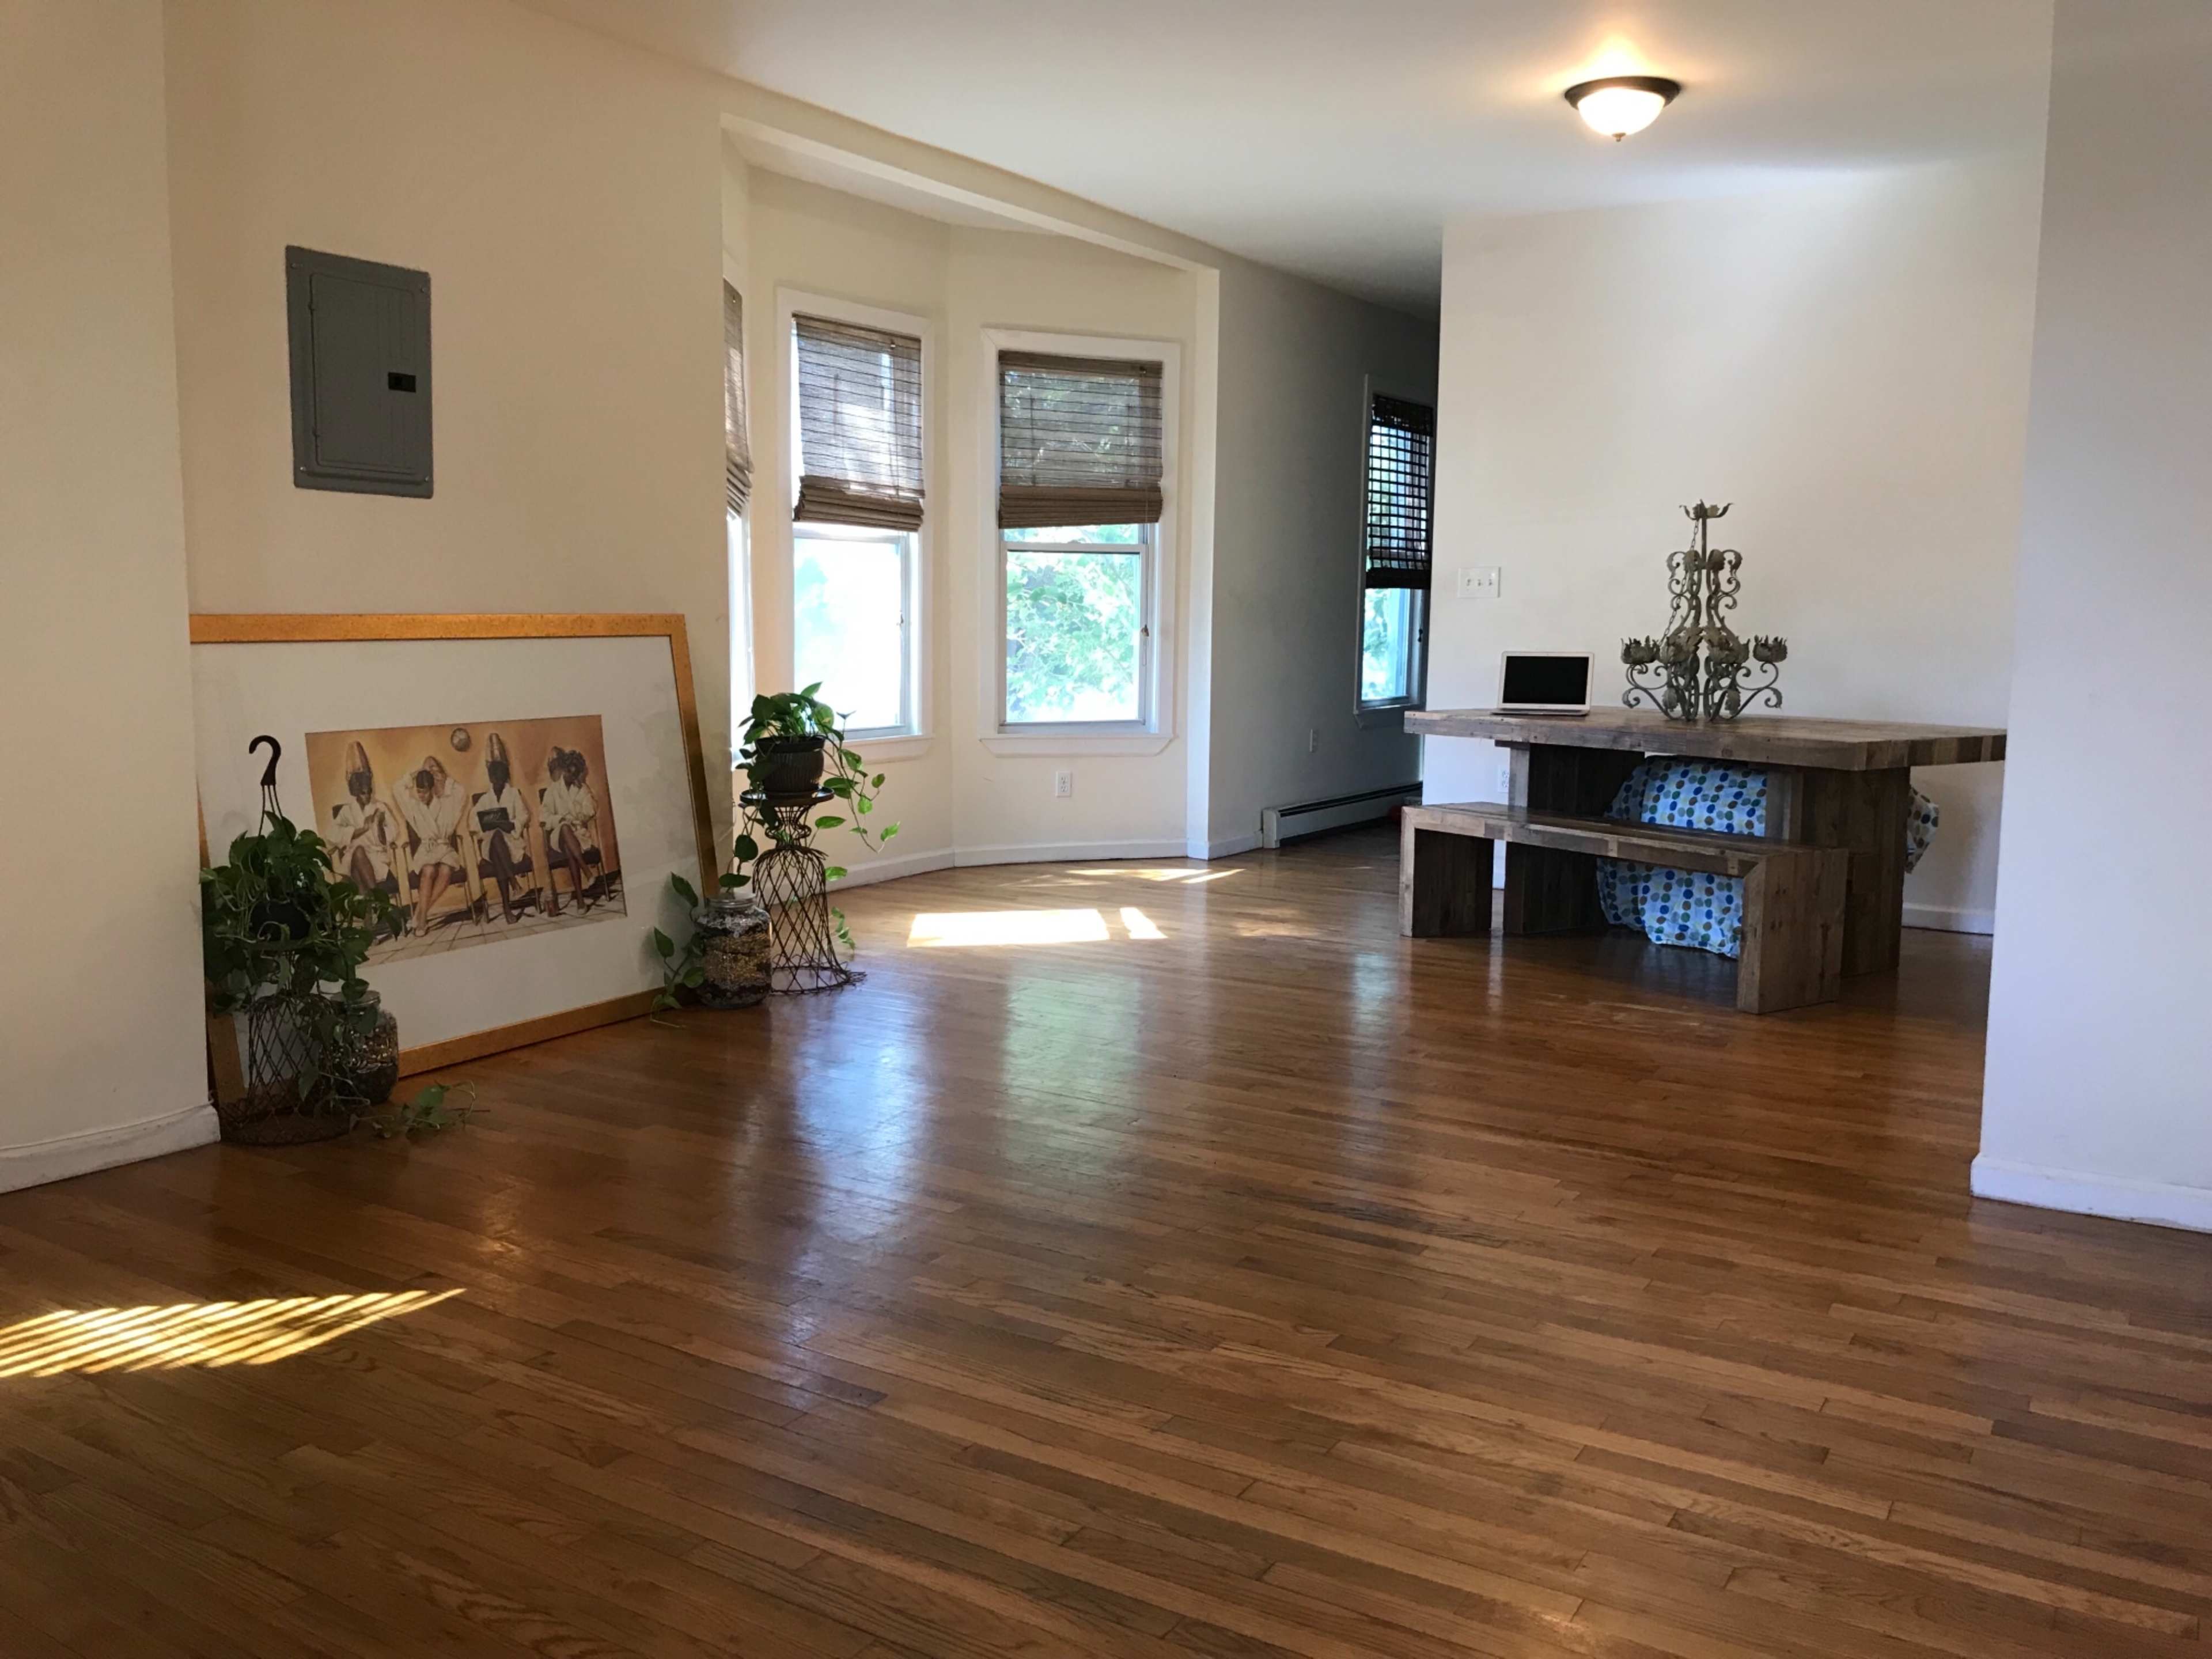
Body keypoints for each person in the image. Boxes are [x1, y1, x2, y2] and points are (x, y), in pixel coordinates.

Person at [327, 742, 403, 923]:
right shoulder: (346, 811)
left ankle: (370, 919)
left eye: (369, 792)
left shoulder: (380, 807)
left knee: (359, 872)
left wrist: (381, 825)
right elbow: (331, 834)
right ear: (355, 792)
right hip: (353, 857)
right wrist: (363, 829)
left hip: (376, 859)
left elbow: (394, 834)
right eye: (363, 793)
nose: (367, 796)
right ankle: (378, 903)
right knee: (358, 851)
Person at [469, 731, 537, 923]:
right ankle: (515, 884)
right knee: (496, 837)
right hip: (491, 845)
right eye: (495, 779)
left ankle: (508, 909)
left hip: (511, 842)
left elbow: (524, 815)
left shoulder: (514, 794)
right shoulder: (484, 799)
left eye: (501, 779)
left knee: (500, 844)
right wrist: (489, 823)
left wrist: (512, 824)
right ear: (491, 779)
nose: (498, 782)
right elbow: (473, 823)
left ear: (505, 778)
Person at [396, 753, 467, 936]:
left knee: (446, 871)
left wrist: (444, 777)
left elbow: (462, 793)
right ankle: (422, 918)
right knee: (428, 871)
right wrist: (416, 773)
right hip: (427, 850)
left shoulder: (446, 803)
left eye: (425, 792)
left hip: (444, 849)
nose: (421, 796)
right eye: (419, 791)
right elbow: (398, 789)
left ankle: (421, 913)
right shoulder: (414, 807)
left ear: (432, 787)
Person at [540, 746, 603, 916]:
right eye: (569, 772)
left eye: (575, 774)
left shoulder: (582, 788)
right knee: (564, 828)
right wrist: (560, 819)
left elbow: (591, 810)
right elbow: (544, 816)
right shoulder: (553, 790)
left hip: (577, 835)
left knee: (570, 849)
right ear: (564, 769)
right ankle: (586, 870)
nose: (571, 777)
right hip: (558, 836)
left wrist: (577, 811)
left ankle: (580, 900)